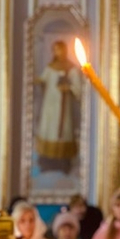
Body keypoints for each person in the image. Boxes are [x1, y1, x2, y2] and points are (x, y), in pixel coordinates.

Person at [36, 40, 82, 174]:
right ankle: (47, 161)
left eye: (60, 49)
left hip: (63, 107)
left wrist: (68, 88)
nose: (57, 52)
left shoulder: (71, 69)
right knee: (48, 128)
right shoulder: (50, 67)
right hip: (49, 106)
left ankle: (63, 162)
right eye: (55, 49)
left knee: (62, 131)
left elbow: (78, 88)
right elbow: (44, 79)